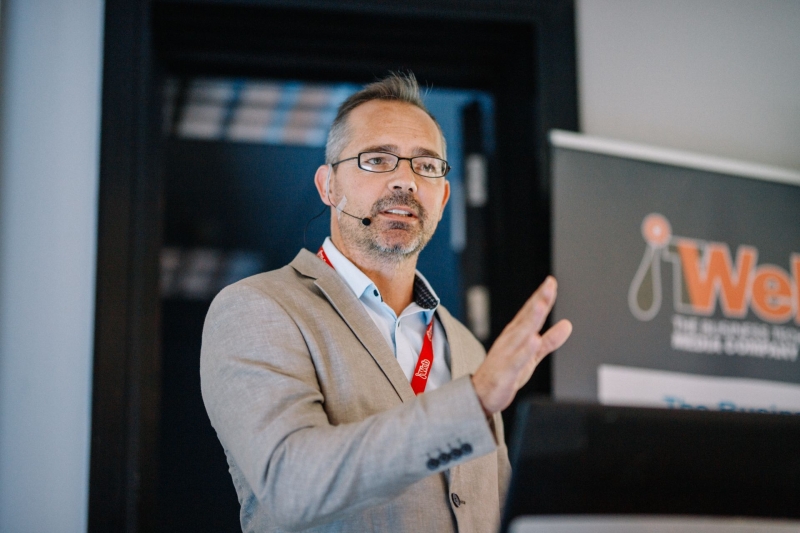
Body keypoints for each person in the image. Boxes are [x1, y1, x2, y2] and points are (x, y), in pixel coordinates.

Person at [200, 73, 572, 533]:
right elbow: (291, 483)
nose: (406, 181)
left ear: (444, 196)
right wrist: (471, 402)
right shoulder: (258, 309)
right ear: (328, 186)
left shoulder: (466, 347)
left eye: (427, 165)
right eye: (377, 159)